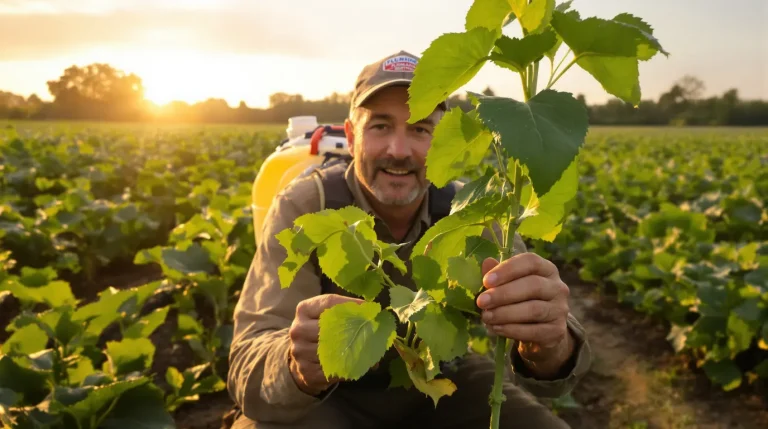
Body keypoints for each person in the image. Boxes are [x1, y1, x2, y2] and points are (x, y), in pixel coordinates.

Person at [227, 50, 592, 429]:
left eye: (420, 129)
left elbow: (556, 364)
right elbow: (246, 361)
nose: (398, 152)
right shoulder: (306, 208)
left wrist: (550, 341)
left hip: (438, 383)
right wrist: (293, 364)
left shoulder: (469, 212)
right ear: (351, 137)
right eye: (380, 127)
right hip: (333, 397)